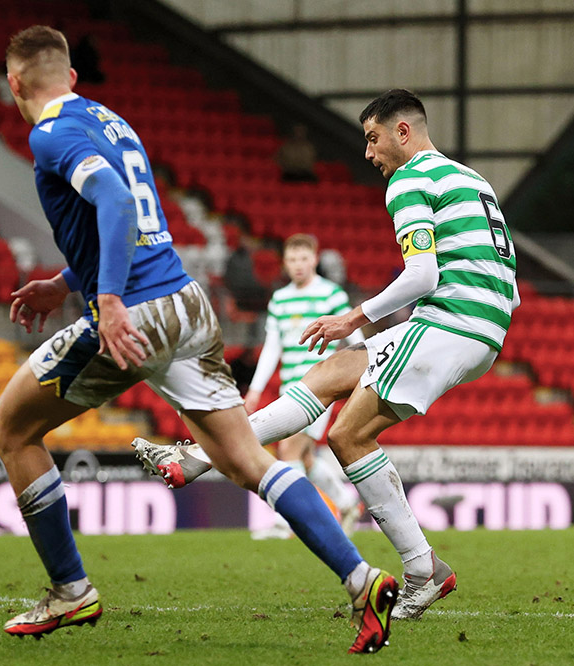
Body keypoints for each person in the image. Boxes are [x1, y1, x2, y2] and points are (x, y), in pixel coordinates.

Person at [0, 26, 397, 654]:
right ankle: (361, 578)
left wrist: (103, 300)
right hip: (187, 302)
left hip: (138, 312)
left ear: (15, 83)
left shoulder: (49, 133)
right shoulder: (112, 122)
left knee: (11, 430)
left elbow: (117, 205)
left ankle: (70, 591)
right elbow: (135, 223)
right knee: (248, 461)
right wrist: (64, 280)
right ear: (71, 78)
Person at [134, 89, 520, 621]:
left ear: (401, 132)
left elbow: (424, 275)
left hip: (450, 321)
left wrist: (354, 317)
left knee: (347, 435)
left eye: (372, 138)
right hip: (484, 324)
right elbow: (507, 278)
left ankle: (422, 567)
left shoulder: (409, 180)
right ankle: (197, 457)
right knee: (330, 373)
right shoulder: (471, 179)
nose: (368, 153)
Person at [245, 233, 364, 540]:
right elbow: (272, 347)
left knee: (289, 448)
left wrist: (368, 365)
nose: (298, 265)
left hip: (322, 385)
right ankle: (347, 504)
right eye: (292, 260)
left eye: (303, 258)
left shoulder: (331, 294)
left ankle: (289, 523)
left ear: (314, 259)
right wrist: (256, 390)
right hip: (290, 388)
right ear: (285, 263)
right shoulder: (280, 299)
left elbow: (354, 335)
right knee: (306, 457)